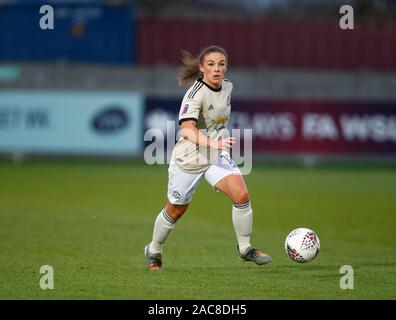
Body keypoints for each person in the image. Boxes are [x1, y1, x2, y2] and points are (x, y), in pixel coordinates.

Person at [144, 45, 271, 271]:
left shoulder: (228, 86)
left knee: (241, 195)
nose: (217, 69)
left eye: (221, 64)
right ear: (202, 68)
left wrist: (217, 145)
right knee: (176, 209)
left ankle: (245, 248)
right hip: (189, 158)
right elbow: (186, 130)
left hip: (215, 154)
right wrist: (214, 142)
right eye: (211, 64)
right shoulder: (195, 93)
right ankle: (154, 250)